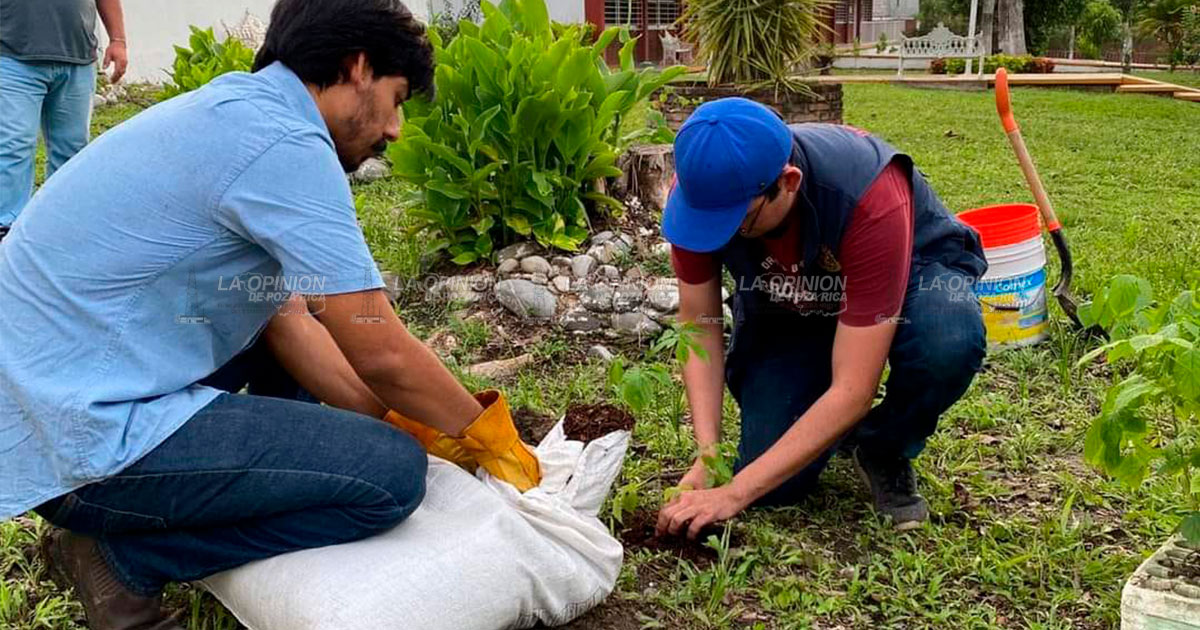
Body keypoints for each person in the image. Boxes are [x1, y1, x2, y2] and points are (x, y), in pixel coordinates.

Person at [0, 1, 538, 629]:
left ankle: (245, 483)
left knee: (287, 347)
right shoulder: (285, 144)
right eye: (396, 100)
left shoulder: (238, 111)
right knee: (389, 476)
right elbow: (380, 348)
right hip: (79, 441)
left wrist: (396, 418)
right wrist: (485, 436)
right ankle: (126, 555)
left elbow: (286, 321)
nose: (394, 129)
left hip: (39, 409)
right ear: (358, 68)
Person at [655, 98, 988, 539]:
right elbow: (700, 325)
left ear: (788, 182)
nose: (718, 234)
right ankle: (821, 422)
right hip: (795, 293)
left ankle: (884, 445)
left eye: (734, 223)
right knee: (774, 486)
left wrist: (732, 495)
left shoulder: (869, 197)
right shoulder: (705, 193)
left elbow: (854, 389)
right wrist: (708, 454)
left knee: (948, 337)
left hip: (909, 271)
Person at [0, 0, 128, 242]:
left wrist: (118, 40)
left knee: (72, 149)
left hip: (77, 59)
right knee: (13, 146)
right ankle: (7, 229)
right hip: (12, 58)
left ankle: (60, 225)